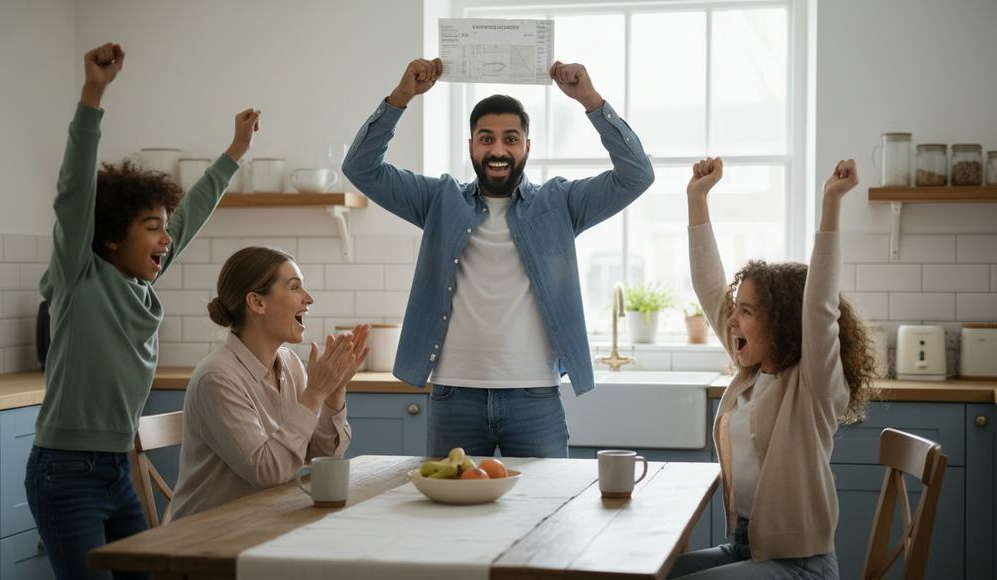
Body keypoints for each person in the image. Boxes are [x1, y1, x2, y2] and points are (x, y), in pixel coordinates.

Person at [25, 42, 259, 580]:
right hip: (65, 471)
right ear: (108, 238)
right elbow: (73, 192)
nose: (165, 237)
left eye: (163, 226)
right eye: (151, 227)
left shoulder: (140, 286)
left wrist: (235, 151)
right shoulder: (81, 277)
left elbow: (193, 212)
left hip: (116, 470)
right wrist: (93, 93)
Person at [341, 58, 654, 458]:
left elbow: (637, 175)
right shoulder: (440, 200)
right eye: (486, 138)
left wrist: (590, 100)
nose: (498, 149)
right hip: (455, 395)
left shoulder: (559, 203)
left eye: (511, 138)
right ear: (470, 146)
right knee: (451, 513)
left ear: (527, 146)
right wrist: (402, 97)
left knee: (547, 513)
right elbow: (361, 168)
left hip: (534, 396)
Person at [667, 158, 876, 579]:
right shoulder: (752, 371)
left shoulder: (814, 386)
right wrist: (696, 199)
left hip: (800, 564)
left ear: (781, 322)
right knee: (654, 573)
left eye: (745, 311)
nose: (731, 320)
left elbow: (819, 309)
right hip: (746, 547)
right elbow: (710, 289)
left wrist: (831, 205)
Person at [170, 247, 368, 519]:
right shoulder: (216, 378)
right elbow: (268, 472)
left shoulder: (290, 364)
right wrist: (314, 394)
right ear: (257, 303)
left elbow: (320, 460)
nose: (308, 298)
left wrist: (333, 392)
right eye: (295, 287)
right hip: (210, 535)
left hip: (268, 521)